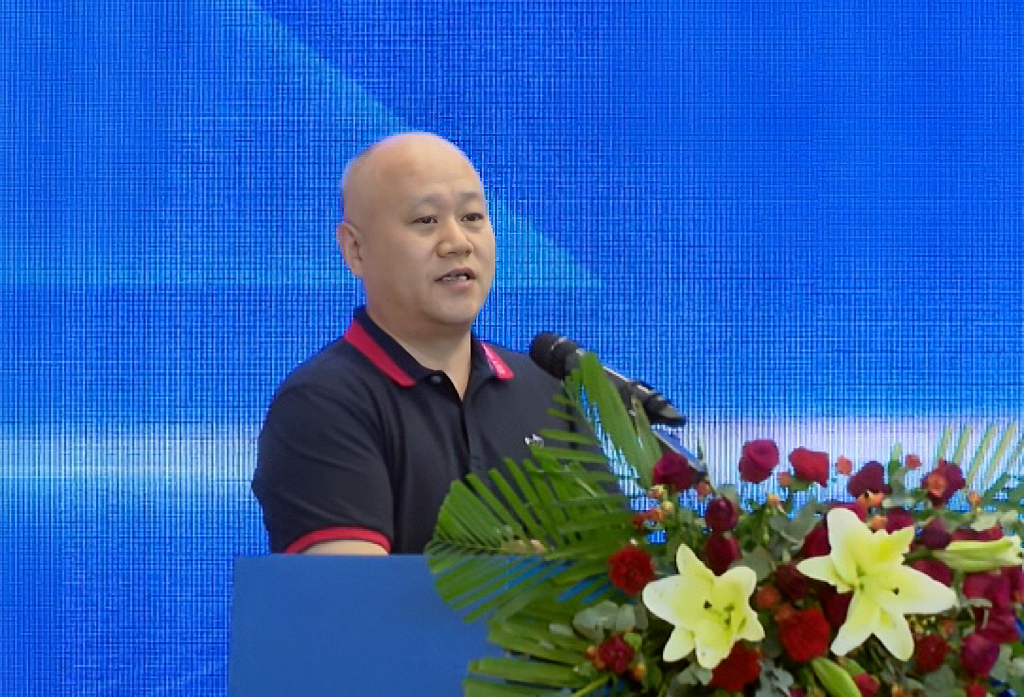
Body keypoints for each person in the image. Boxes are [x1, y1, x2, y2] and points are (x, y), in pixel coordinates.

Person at [252, 132, 574, 555]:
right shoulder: (321, 403)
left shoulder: (547, 388)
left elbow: (613, 570)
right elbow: (353, 590)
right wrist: (514, 577)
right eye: (426, 221)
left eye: (473, 217)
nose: (458, 243)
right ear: (355, 250)